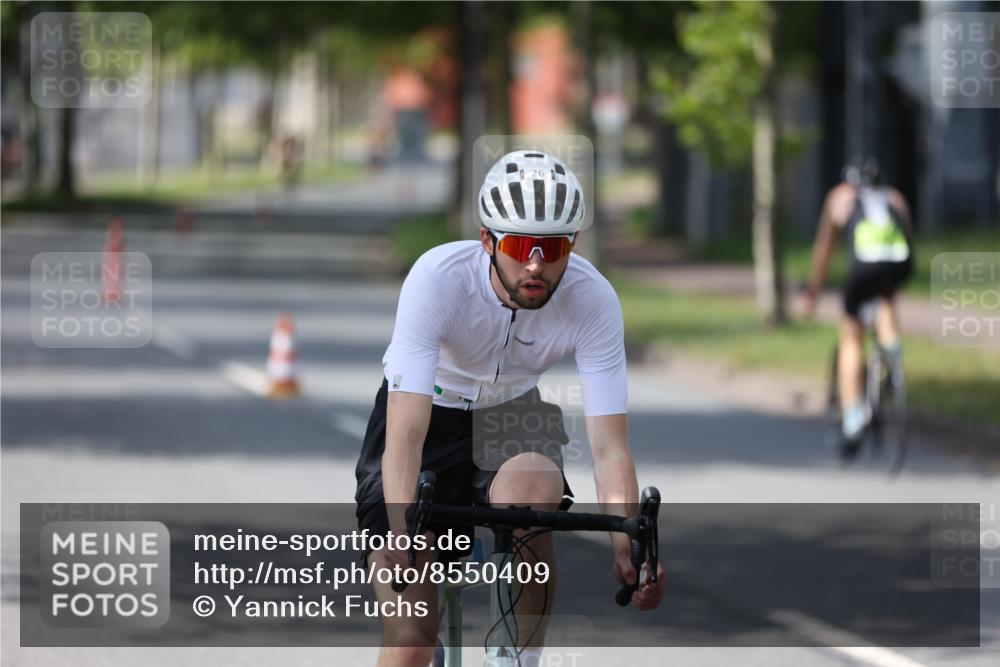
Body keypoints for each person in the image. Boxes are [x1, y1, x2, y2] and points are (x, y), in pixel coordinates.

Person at [354, 150, 667, 667]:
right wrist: (400, 531)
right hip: (426, 414)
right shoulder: (438, 279)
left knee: (534, 494)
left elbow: (611, 448)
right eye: (521, 245)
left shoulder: (594, 299)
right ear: (487, 241)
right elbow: (406, 436)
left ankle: (517, 659)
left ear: (574, 244)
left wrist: (626, 545)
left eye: (553, 246)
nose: (536, 264)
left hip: (511, 411)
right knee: (411, 640)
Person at [801, 159, 914, 457]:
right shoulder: (895, 197)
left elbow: (823, 250)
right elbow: (908, 237)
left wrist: (813, 291)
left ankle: (853, 418)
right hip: (899, 265)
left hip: (863, 269)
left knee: (851, 335)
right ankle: (893, 353)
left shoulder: (840, 197)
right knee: (886, 297)